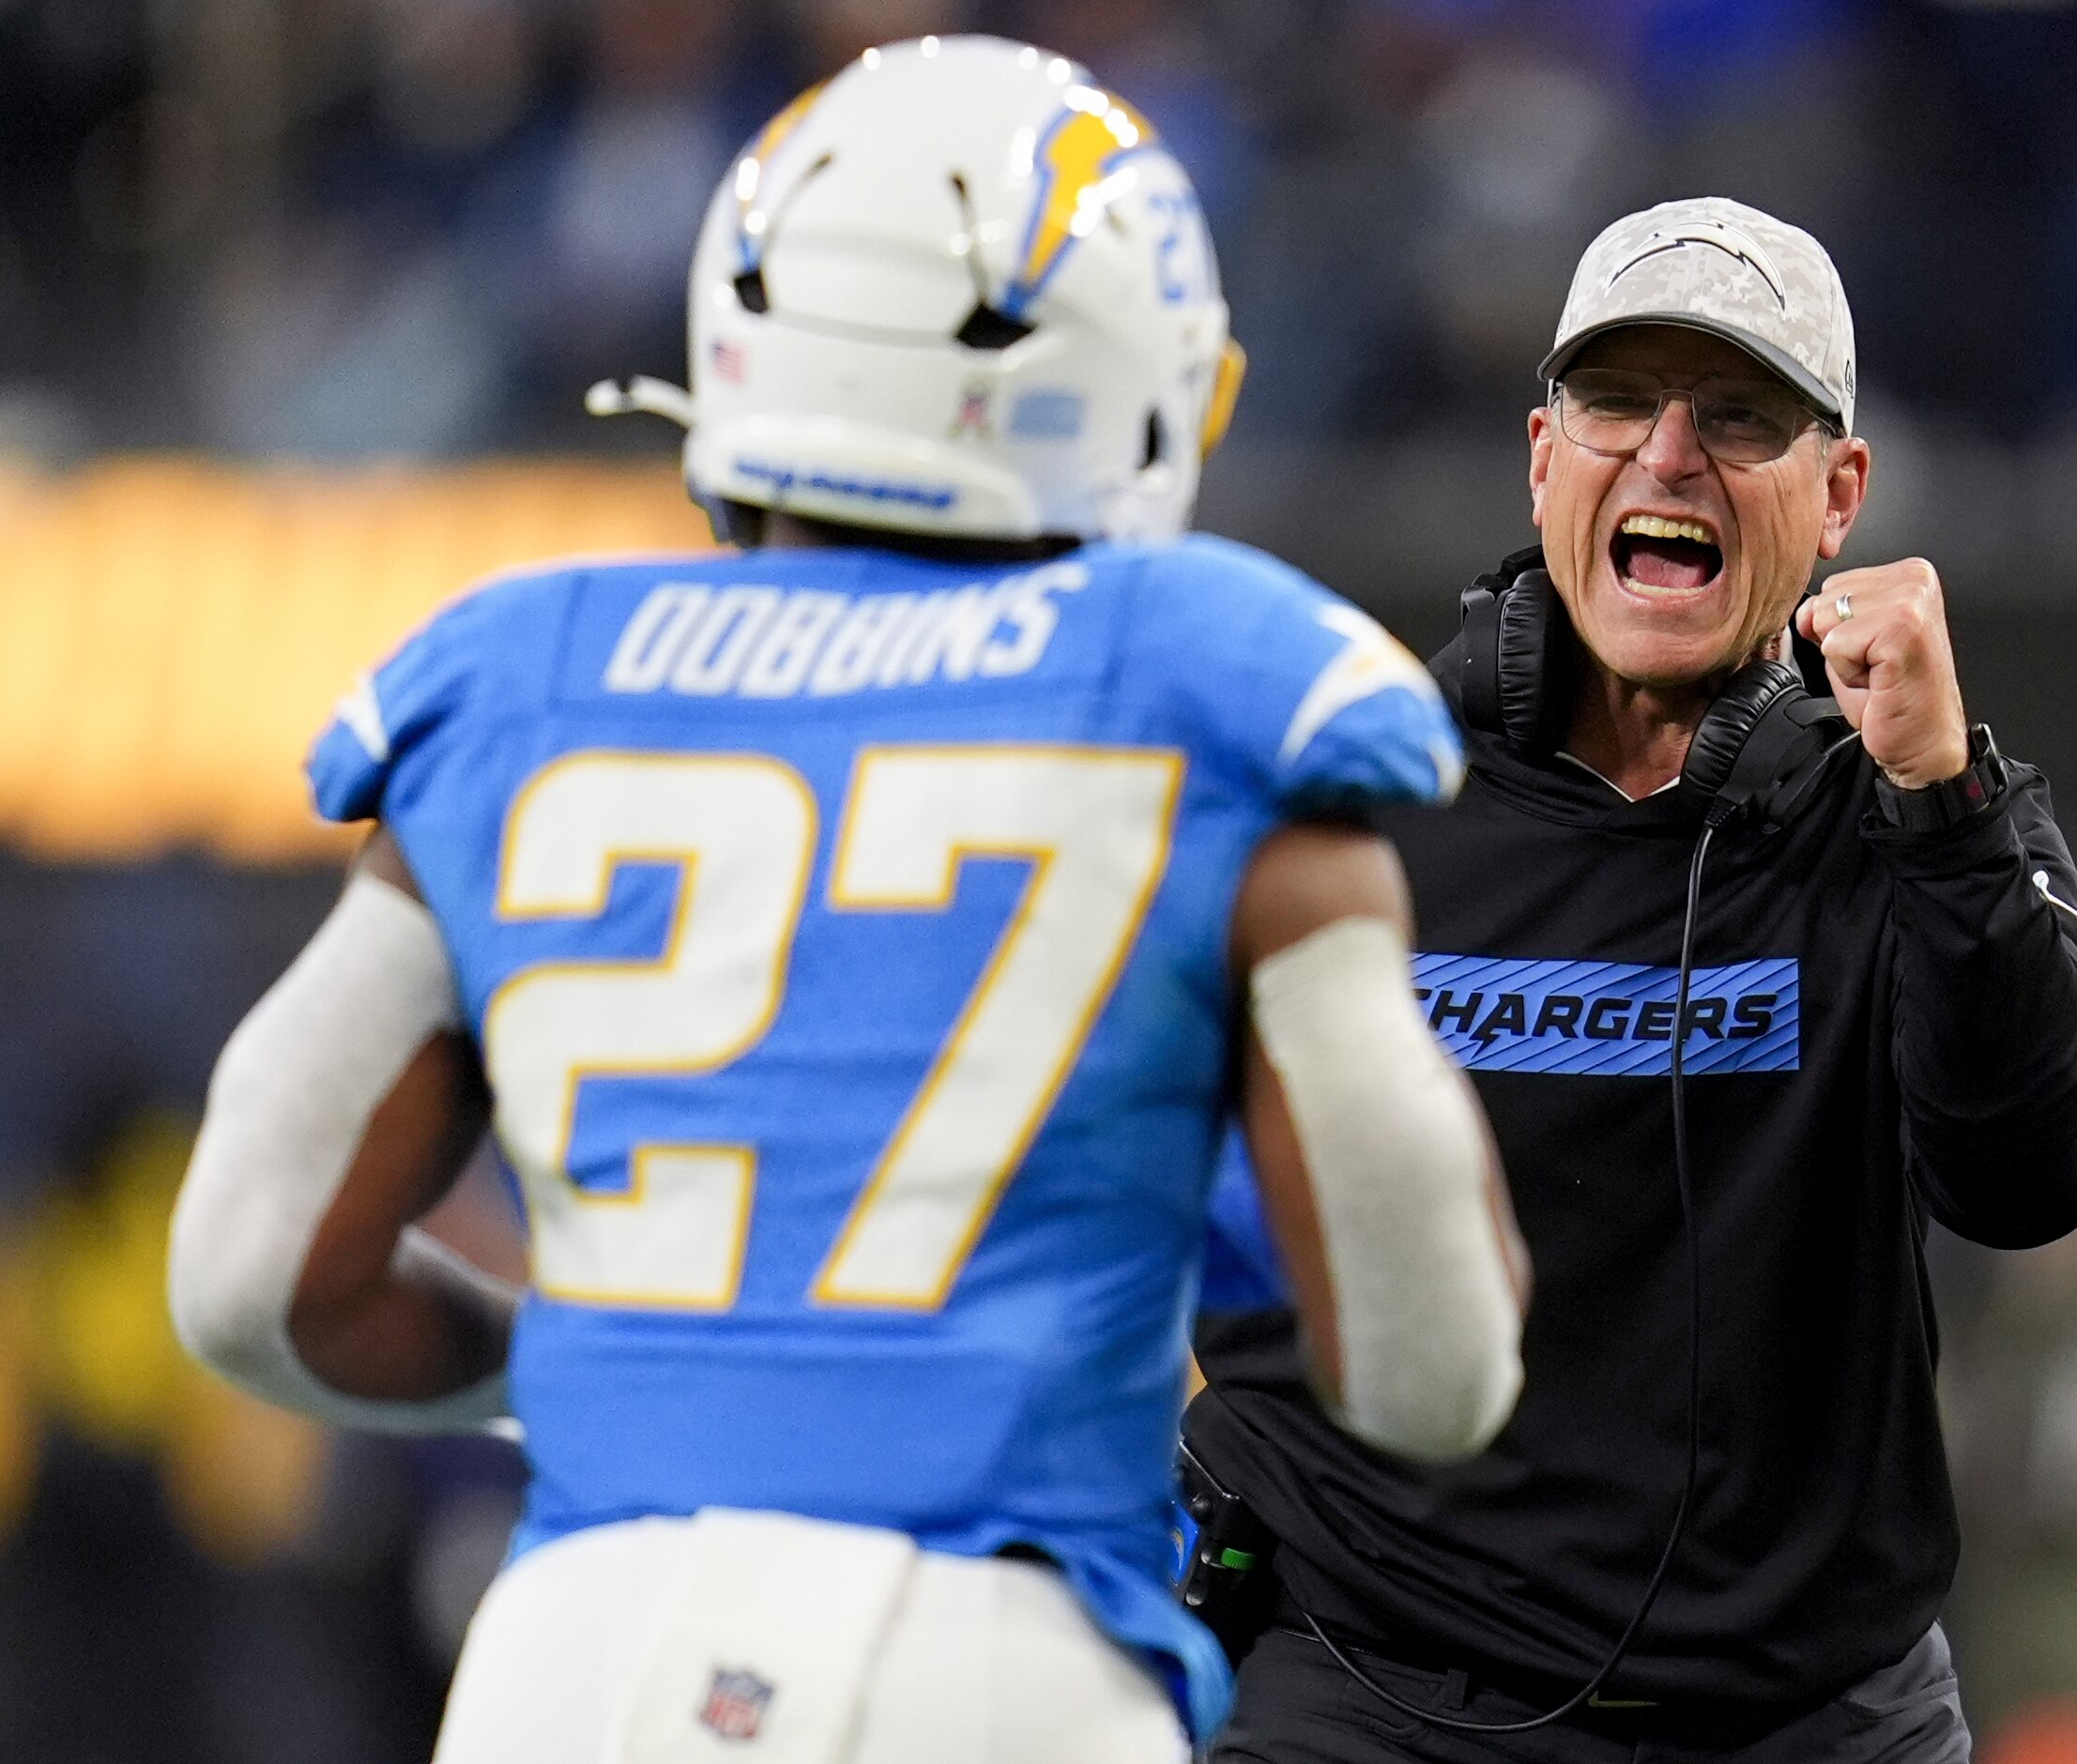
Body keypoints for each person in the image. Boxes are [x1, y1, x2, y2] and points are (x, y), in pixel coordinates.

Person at [164, 36, 1530, 1764]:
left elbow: (244, 1277)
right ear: (1153, 373)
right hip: (994, 1659)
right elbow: (1432, 1371)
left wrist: (627, 1358)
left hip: (573, 1658)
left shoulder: (520, 677)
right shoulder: (1219, 680)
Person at [1184, 199, 2077, 1763]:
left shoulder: (1929, 812)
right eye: (1622, 402)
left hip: (1802, 1716)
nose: (1670, 454)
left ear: (1840, 497)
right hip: (1372, 1687)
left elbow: (2032, 1181)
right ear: (1546, 457)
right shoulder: (1357, 797)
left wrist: (1943, 808)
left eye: (1738, 414)